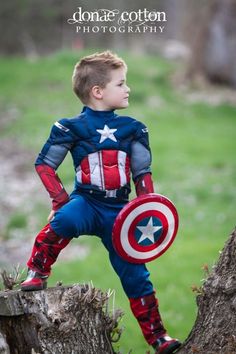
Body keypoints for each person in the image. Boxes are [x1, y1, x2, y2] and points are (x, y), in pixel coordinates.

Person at [21, 51, 181, 354]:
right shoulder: (70, 127)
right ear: (98, 91)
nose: (127, 88)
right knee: (63, 220)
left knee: (136, 275)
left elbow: (142, 173)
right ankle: (38, 269)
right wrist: (60, 201)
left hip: (121, 212)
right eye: (121, 83)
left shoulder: (133, 128)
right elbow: (45, 165)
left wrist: (146, 209)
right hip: (86, 202)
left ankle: (158, 337)